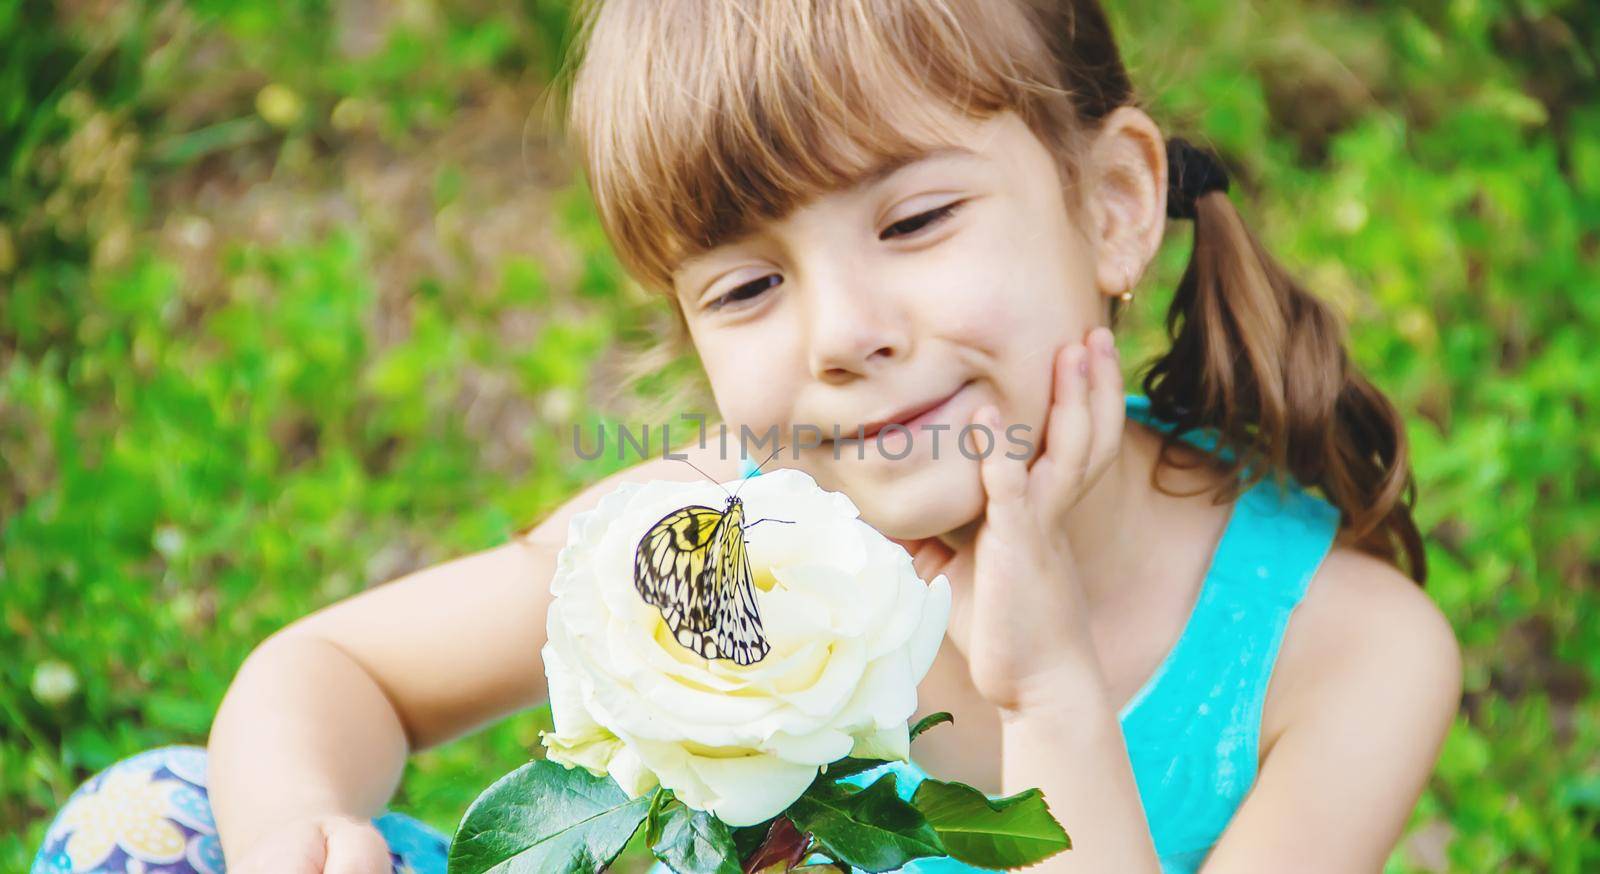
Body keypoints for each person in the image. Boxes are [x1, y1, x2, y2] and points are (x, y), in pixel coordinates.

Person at [31, 1, 1463, 872]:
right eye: (748, 285)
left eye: (913, 218)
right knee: (150, 817)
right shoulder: (722, 534)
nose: (840, 329)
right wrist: (301, 829)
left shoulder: (1344, 654)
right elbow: (331, 667)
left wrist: (1050, 690)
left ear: (1111, 203)